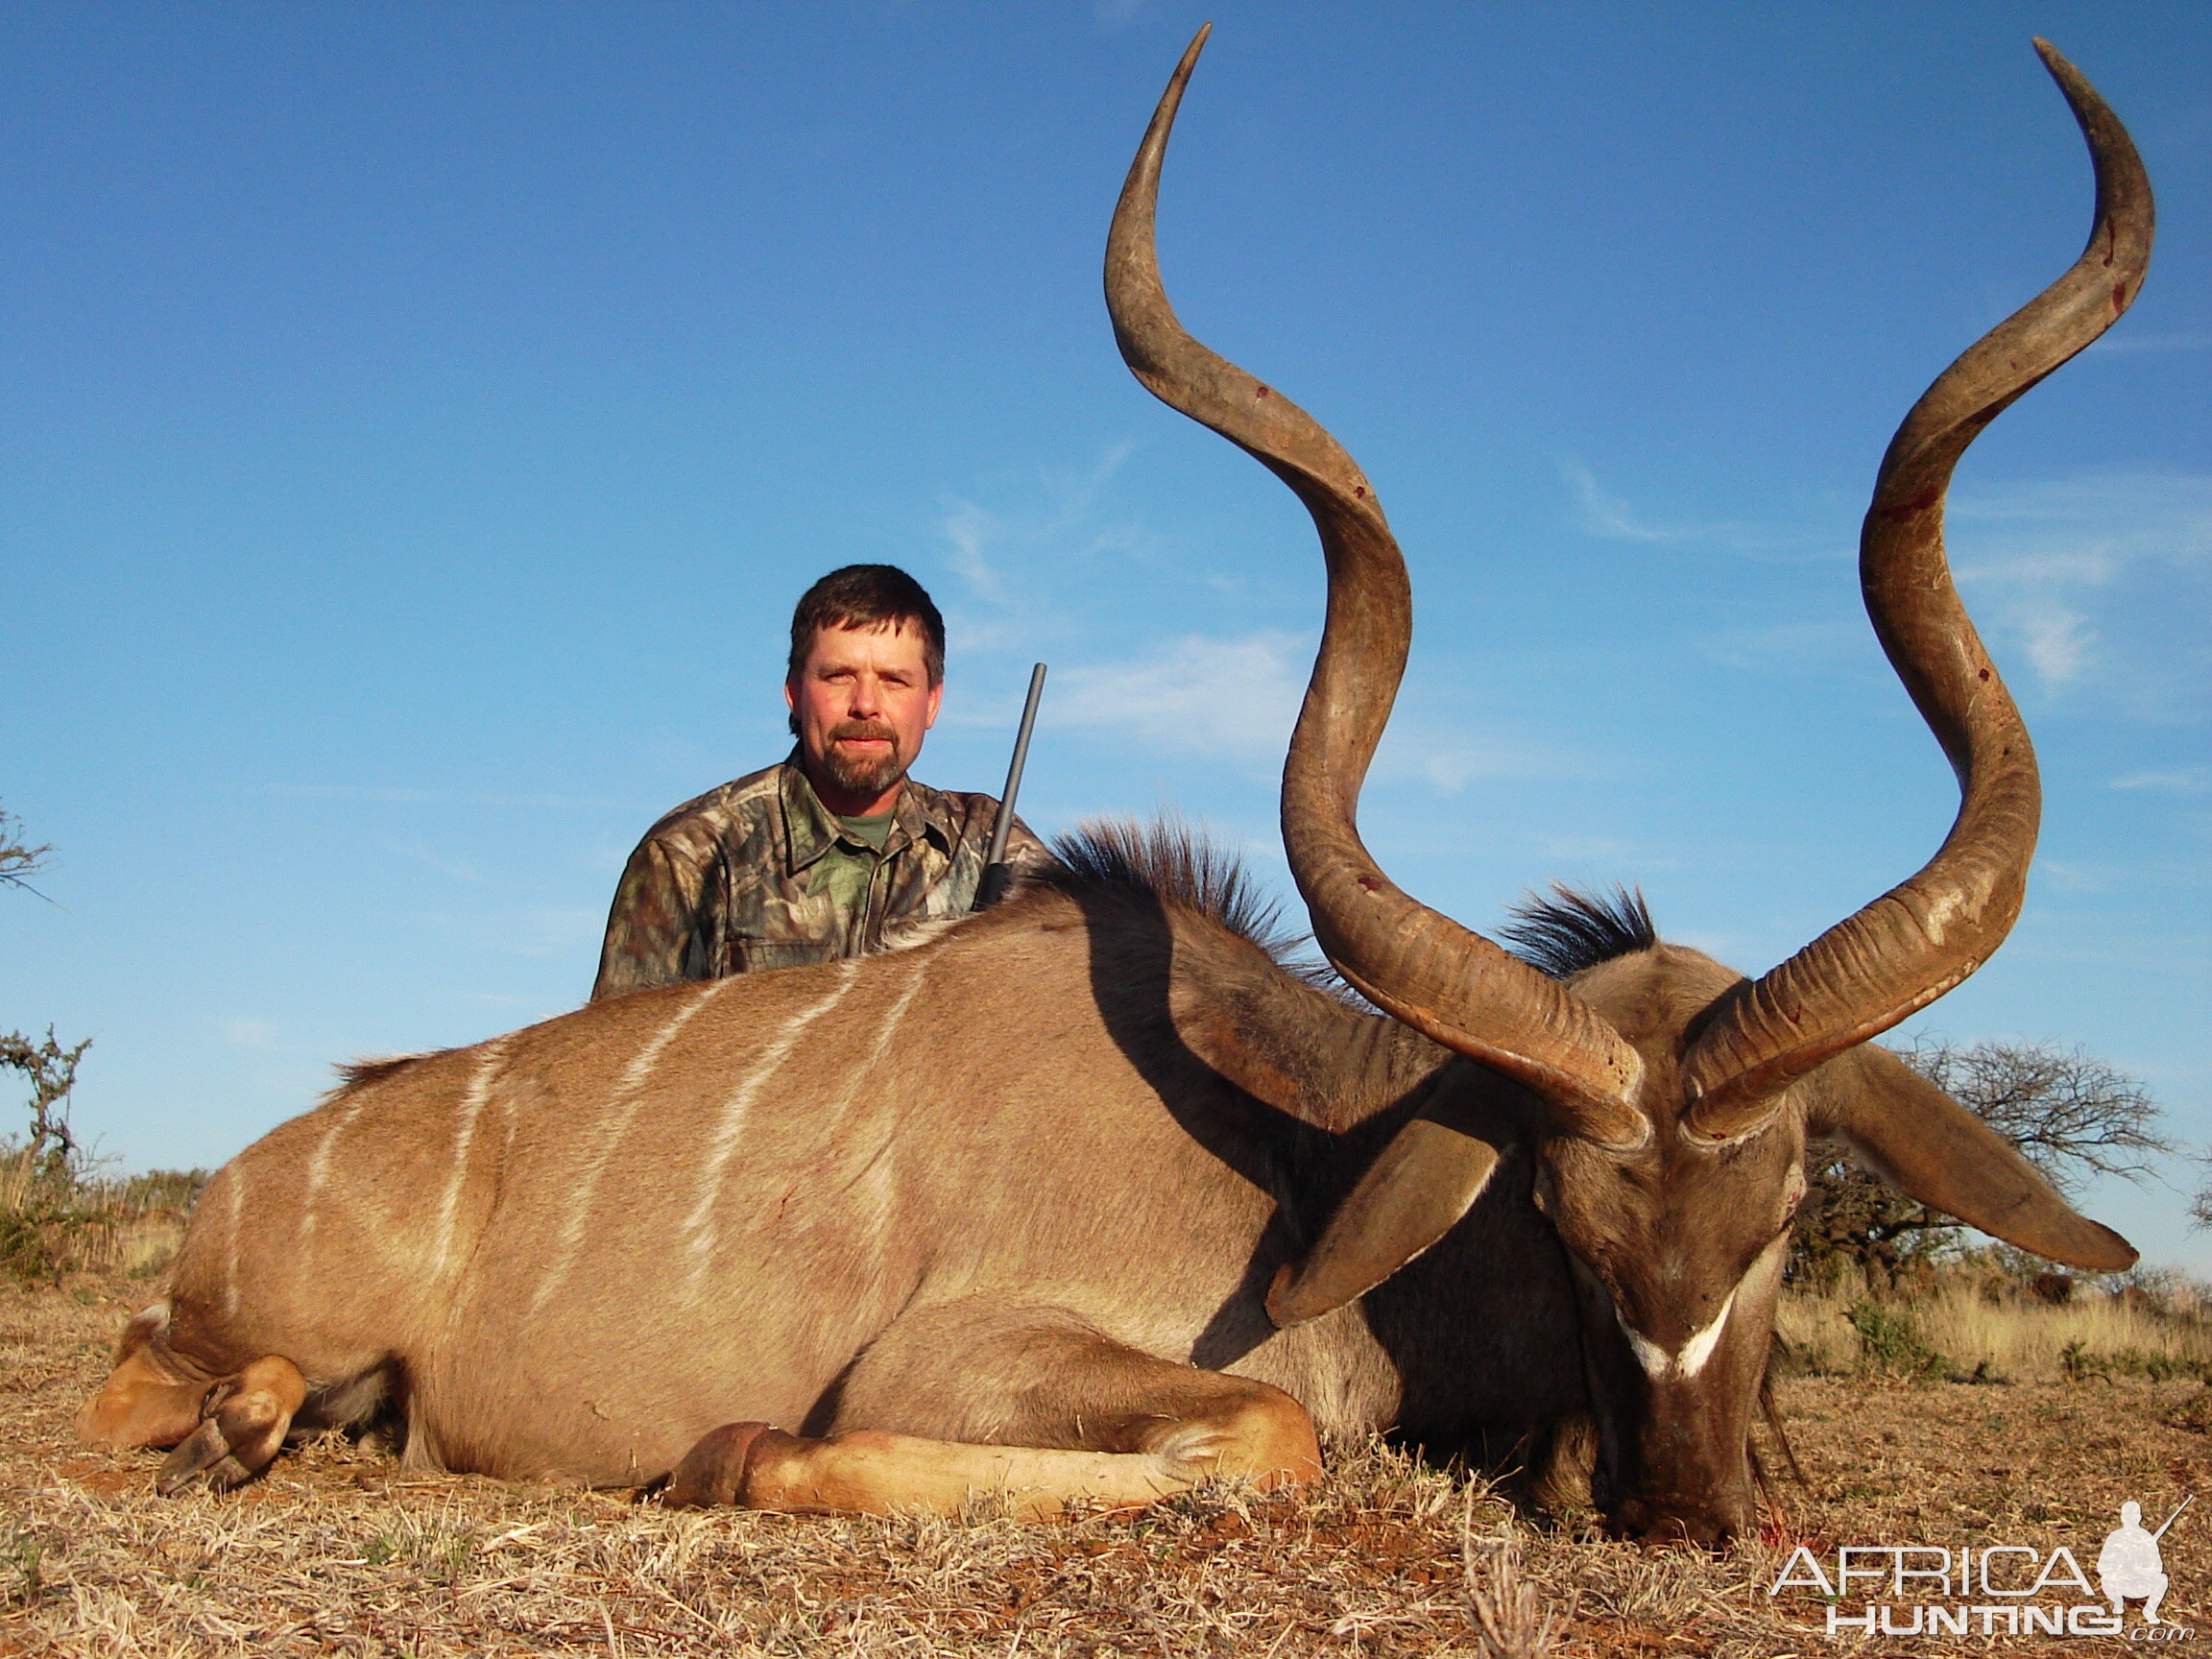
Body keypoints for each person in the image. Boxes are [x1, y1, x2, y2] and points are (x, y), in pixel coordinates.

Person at [590, 565, 1046, 1000]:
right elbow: (617, 1058)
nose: (866, 704)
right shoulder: (692, 853)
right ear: (793, 692)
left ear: (931, 703)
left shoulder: (991, 842)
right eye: (838, 677)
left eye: (894, 681)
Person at [2097, 1501, 2171, 1624]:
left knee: (2162, 1579)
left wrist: (2140, 1569)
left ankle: (2150, 1610)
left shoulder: (2146, 1538)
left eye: (2134, 1516)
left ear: (2139, 1517)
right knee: (2106, 1579)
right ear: (2122, 1517)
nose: (2130, 1519)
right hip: (2119, 1582)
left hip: (2141, 1582)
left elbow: (2157, 1567)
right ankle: (2118, 1602)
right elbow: (2102, 1566)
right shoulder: (2115, 1537)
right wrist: (2119, 1568)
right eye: (2127, 1516)